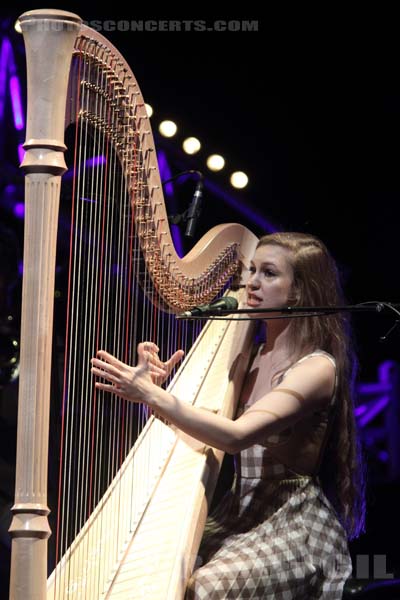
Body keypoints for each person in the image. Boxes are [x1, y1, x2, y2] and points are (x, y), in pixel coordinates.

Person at [91, 231, 365, 599]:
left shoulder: (316, 367)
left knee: (204, 587)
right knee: (142, 566)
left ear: (299, 291)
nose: (251, 282)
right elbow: (206, 432)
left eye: (268, 273)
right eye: (251, 270)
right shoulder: (245, 357)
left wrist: (155, 396)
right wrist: (154, 395)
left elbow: (235, 436)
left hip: (293, 523)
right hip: (239, 512)